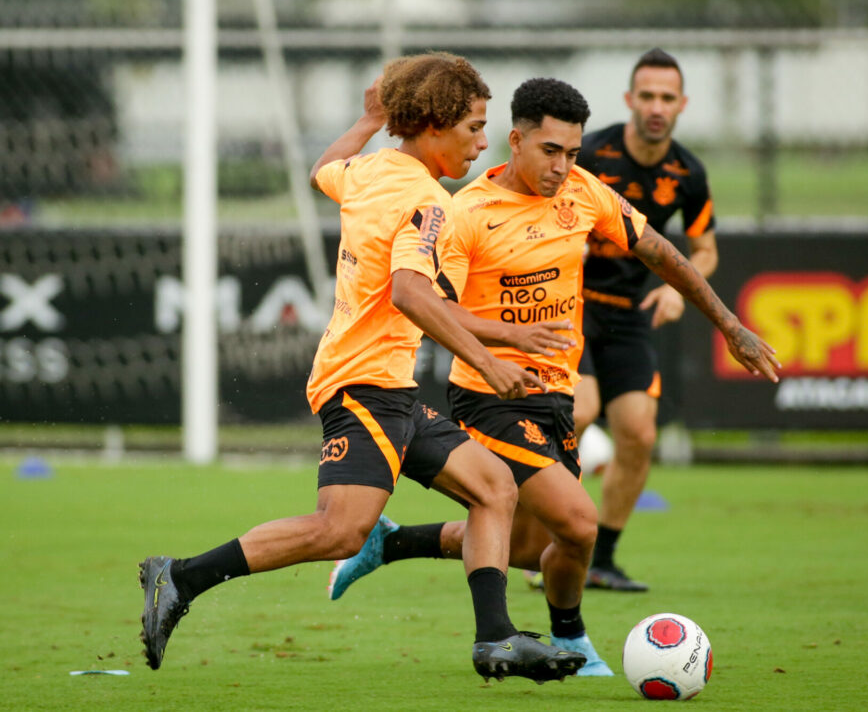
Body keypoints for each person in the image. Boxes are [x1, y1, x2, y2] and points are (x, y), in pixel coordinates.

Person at [137, 52, 586, 684]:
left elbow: (324, 170)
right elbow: (410, 293)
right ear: (433, 123)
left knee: (494, 487)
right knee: (342, 532)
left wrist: (367, 120)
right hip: (362, 384)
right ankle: (180, 576)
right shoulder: (426, 201)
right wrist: (488, 360)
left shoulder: (372, 169)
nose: (483, 144)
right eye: (474, 128)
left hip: (389, 386)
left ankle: (497, 639)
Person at [325, 77, 780, 676]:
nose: (563, 166)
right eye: (550, 151)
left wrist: (730, 326)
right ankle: (571, 636)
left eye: (572, 152)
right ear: (515, 141)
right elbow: (438, 309)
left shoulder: (585, 193)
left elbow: (662, 254)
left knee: (525, 549)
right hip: (489, 395)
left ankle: (394, 542)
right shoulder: (464, 214)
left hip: (554, 396)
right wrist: (506, 340)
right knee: (579, 524)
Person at [570, 48, 718, 592]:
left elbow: (705, 251)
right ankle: (552, 542)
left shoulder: (688, 173)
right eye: (647, 96)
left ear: (682, 105)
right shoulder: (589, 154)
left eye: (667, 97)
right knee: (580, 411)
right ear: (630, 100)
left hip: (631, 315)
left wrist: (675, 290)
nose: (657, 106)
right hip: (572, 304)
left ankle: (600, 559)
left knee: (638, 433)